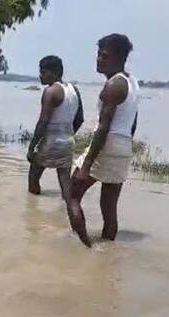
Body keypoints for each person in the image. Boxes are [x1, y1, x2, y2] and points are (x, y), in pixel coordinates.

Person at [68, 34, 140, 247]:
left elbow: (103, 128)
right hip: (124, 145)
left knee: (72, 194)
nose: (99, 59)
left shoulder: (113, 85)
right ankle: (107, 255)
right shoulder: (132, 83)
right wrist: (125, 147)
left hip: (108, 144)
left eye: (105, 56)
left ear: (119, 57)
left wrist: (86, 165)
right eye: (98, 54)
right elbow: (133, 122)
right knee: (109, 209)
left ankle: (83, 247)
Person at [27, 55, 84, 200]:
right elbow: (80, 119)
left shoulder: (51, 91)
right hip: (68, 142)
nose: (40, 75)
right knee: (65, 182)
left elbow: (43, 122)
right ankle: (68, 212)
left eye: (44, 72)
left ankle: (32, 210)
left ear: (56, 72)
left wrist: (31, 147)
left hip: (50, 142)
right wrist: (68, 134)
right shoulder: (74, 90)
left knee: (34, 176)